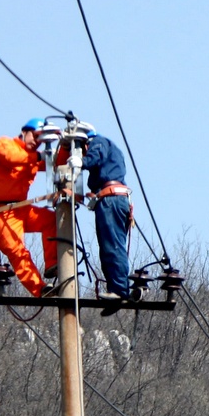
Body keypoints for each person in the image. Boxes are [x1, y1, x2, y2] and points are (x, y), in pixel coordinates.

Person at [0, 118, 59, 297]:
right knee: (17, 251)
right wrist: (39, 156)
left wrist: (68, 145)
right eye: (35, 136)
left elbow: (57, 161)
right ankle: (40, 288)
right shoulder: (4, 144)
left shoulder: (32, 157)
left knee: (51, 220)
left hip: (19, 209)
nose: (36, 142)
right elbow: (12, 159)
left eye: (41, 139)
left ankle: (53, 264)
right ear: (24, 132)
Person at [75, 129, 134, 301]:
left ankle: (120, 290)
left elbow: (95, 157)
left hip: (111, 200)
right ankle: (116, 290)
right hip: (112, 199)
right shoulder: (113, 151)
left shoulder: (98, 142)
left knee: (112, 246)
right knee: (109, 247)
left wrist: (79, 161)